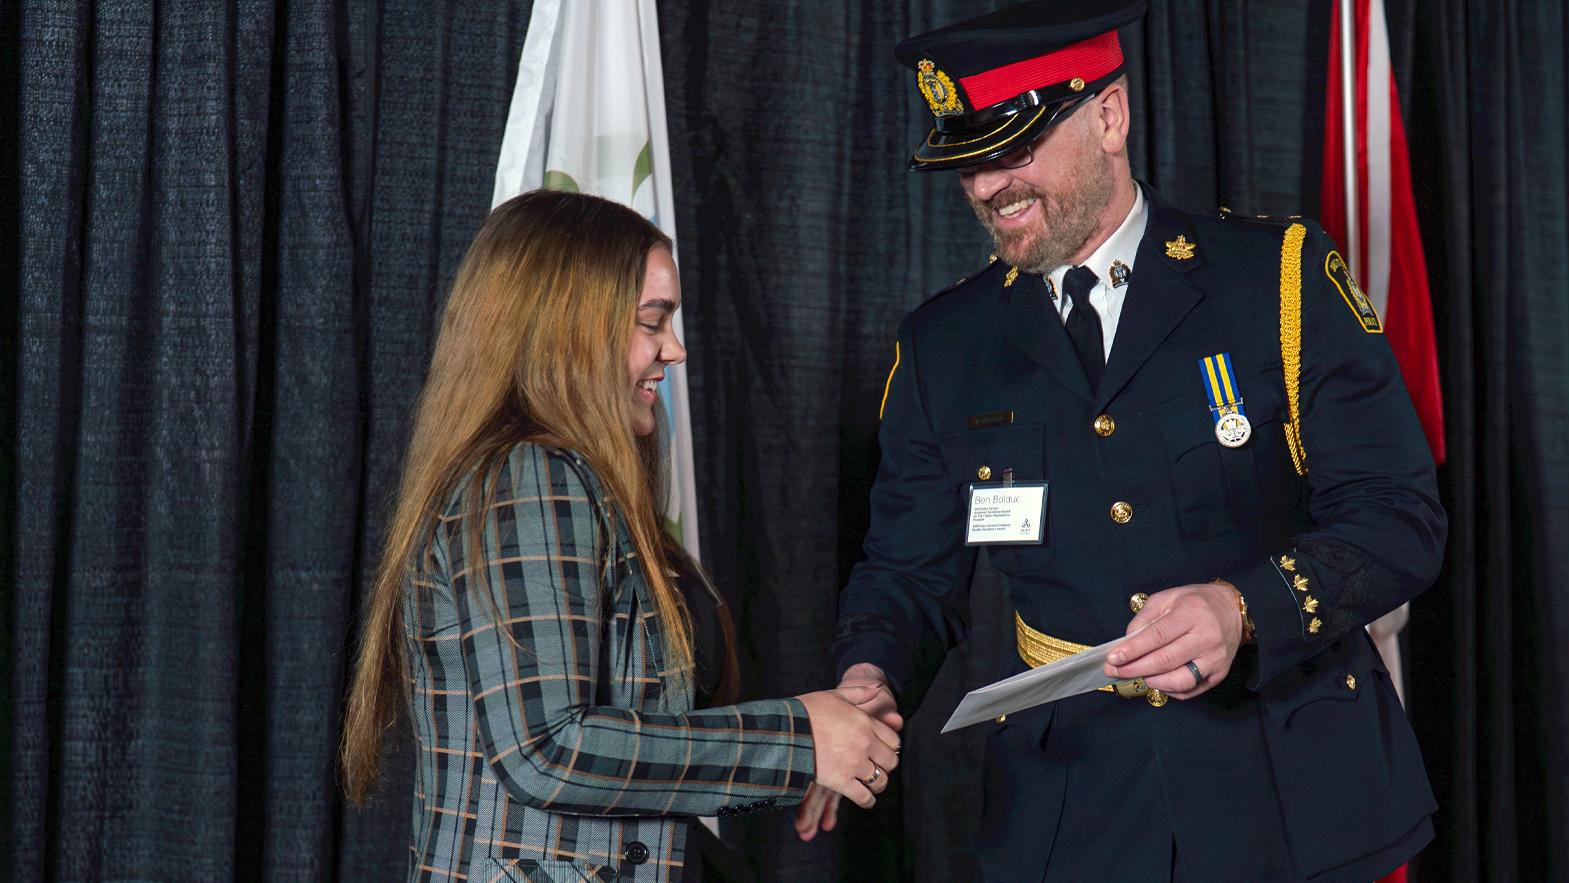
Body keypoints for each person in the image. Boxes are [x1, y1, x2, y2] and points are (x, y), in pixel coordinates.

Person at [796, 1, 1446, 880]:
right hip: (1075, 813)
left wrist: (1242, 606)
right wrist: (868, 677)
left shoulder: (1275, 278)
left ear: (1109, 116)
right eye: (968, 164)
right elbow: (907, 573)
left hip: (1294, 796)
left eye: (1013, 149)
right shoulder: (945, 346)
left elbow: (1399, 516)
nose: (987, 187)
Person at [339, 189, 902, 882]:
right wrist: (798, 742)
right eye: (652, 321)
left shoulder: (579, 480)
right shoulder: (531, 475)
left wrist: (818, 751)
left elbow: (637, 733)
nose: (676, 349)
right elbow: (546, 750)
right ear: (569, 325)